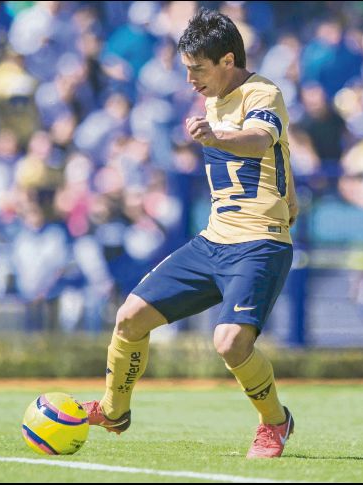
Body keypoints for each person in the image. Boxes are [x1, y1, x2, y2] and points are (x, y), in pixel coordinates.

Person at [79, 8, 298, 459]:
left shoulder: (263, 92)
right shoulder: (212, 98)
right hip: (215, 240)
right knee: (130, 316)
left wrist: (215, 137)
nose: (190, 80)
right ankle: (113, 410)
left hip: (259, 243)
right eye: (186, 69)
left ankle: (275, 421)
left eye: (197, 69)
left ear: (228, 61)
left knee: (229, 342)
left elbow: (258, 140)